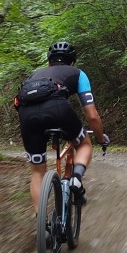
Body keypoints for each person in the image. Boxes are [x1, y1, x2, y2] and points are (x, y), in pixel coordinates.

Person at [15, 41, 110, 212]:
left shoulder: (35, 75)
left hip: (27, 115)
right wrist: (101, 138)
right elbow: (92, 115)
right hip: (58, 109)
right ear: (72, 61)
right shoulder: (78, 73)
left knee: (37, 172)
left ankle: (42, 224)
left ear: (49, 61)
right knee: (83, 144)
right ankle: (76, 179)